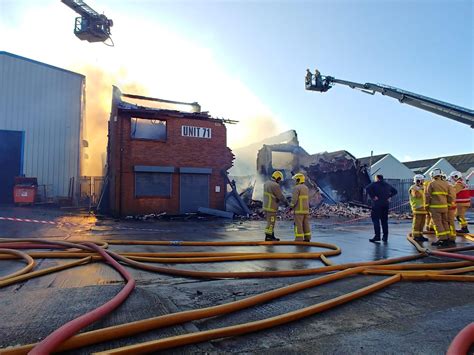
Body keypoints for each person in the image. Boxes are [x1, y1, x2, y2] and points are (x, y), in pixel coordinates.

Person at [365, 175, 398, 243]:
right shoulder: (387, 185)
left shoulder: (374, 184)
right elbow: (395, 191)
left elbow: (367, 188)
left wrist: (373, 196)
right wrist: (389, 196)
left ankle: (377, 236)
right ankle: (385, 237)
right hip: (385, 205)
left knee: (376, 220)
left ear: (377, 178)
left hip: (377, 205)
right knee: (384, 221)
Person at [425, 168, 452, 246]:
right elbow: (450, 196)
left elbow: (427, 196)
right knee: (445, 222)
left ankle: (442, 239)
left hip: (435, 207)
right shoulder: (446, 183)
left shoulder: (431, 184)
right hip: (445, 207)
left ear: (433, 175)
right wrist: (449, 205)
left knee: (438, 223)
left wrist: (426, 206)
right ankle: (448, 237)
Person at [263, 170, 288, 241]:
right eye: (279, 179)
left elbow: (271, 194)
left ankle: (271, 236)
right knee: (271, 222)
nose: (279, 181)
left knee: (269, 222)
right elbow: (280, 196)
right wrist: (286, 203)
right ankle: (269, 237)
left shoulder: (266, 183)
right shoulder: (275, 185)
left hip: (266, 206)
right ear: (278, 178)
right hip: (271, 207)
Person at [290, 173, 311, 241]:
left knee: (298, 225)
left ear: (298, 180)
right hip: (306, 210)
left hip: (299, 210)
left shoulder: (296, 188)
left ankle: (299, 239)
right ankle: (307, 238)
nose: (295, 181)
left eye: (295, 180)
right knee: (306, 224)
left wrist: (291, 206)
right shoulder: (306, 187)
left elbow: (294, 199)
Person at [409, 174, 428, 242]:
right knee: (417, 223)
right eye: (422, 180)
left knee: (422, 223)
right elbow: (416, 195)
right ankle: (416, 236)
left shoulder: (422, 187)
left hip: (423, 208)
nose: (423, 181)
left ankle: (420, 235)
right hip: (417, 208)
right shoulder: (413, 188)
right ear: (418, 180)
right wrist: (421, 189)